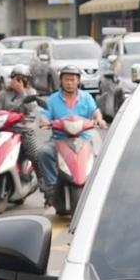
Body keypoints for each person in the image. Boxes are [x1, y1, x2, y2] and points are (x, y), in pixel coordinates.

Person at [36, 65, 107, 204]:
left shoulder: (86, 98)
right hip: (59, 139)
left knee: (101, 157)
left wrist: (99, 119)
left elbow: (95, 111)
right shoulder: (53, 99)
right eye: (66, 79)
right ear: (61, 81)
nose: (69, 83)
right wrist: (44, 121)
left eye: (72, 79)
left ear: (78, 81)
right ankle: (50, 188)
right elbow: (45, 115)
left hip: (83, 139)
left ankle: (97, 190)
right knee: (43, 153)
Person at [0, 63, 42, 172]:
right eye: (15, 79)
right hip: (6, 129)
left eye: (21, 79)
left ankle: (41, 177)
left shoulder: (31, 93)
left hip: (25, 130)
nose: (17, 82)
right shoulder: (4, 94)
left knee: (34, 154)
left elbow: (31, 107)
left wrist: (22, 92)